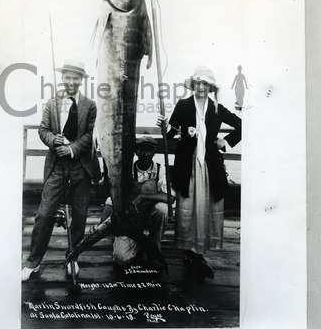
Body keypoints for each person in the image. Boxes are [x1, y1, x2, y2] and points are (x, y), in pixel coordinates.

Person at [157, 65, 241, 280]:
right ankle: (188, 251)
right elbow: (170, 135)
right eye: (198, 83)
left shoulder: (216, 108)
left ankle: (199, 253)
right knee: (188, 208)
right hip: (187, 166)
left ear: (210, 86)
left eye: (205, 83)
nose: (201, 87)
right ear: (193, 85)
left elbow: (241, 124)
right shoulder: (183, 105)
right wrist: (163, 126)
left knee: (206, 208)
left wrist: (226, 141)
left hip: (209, 167)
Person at [21, 59, 101, 281]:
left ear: (81, 80)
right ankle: (33, 262)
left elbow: (90, 134)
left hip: (80, 166)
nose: (72, 82)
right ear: (63, 78)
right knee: (44, 213)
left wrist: (73, 148)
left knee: (80, 215)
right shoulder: (52, 103)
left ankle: (72, 258)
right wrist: (54, 141)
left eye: (76, 78)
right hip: (56, 165)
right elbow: (43, 130)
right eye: (68, 77)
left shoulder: (90, 105)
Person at [100, 136, 175, 268]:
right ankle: (141, 244)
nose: (146, 154)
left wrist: (143, 197)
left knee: (162, 209)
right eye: (142, 150)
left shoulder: (160, 169)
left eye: (149, 150)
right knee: (121, 259)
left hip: (151, 214)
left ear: (154, 152)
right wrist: (105, 225)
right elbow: (111, 200)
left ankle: (154, 247)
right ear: (136, 152)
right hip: (131, 219)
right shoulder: (127, 171)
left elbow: (170, 198)